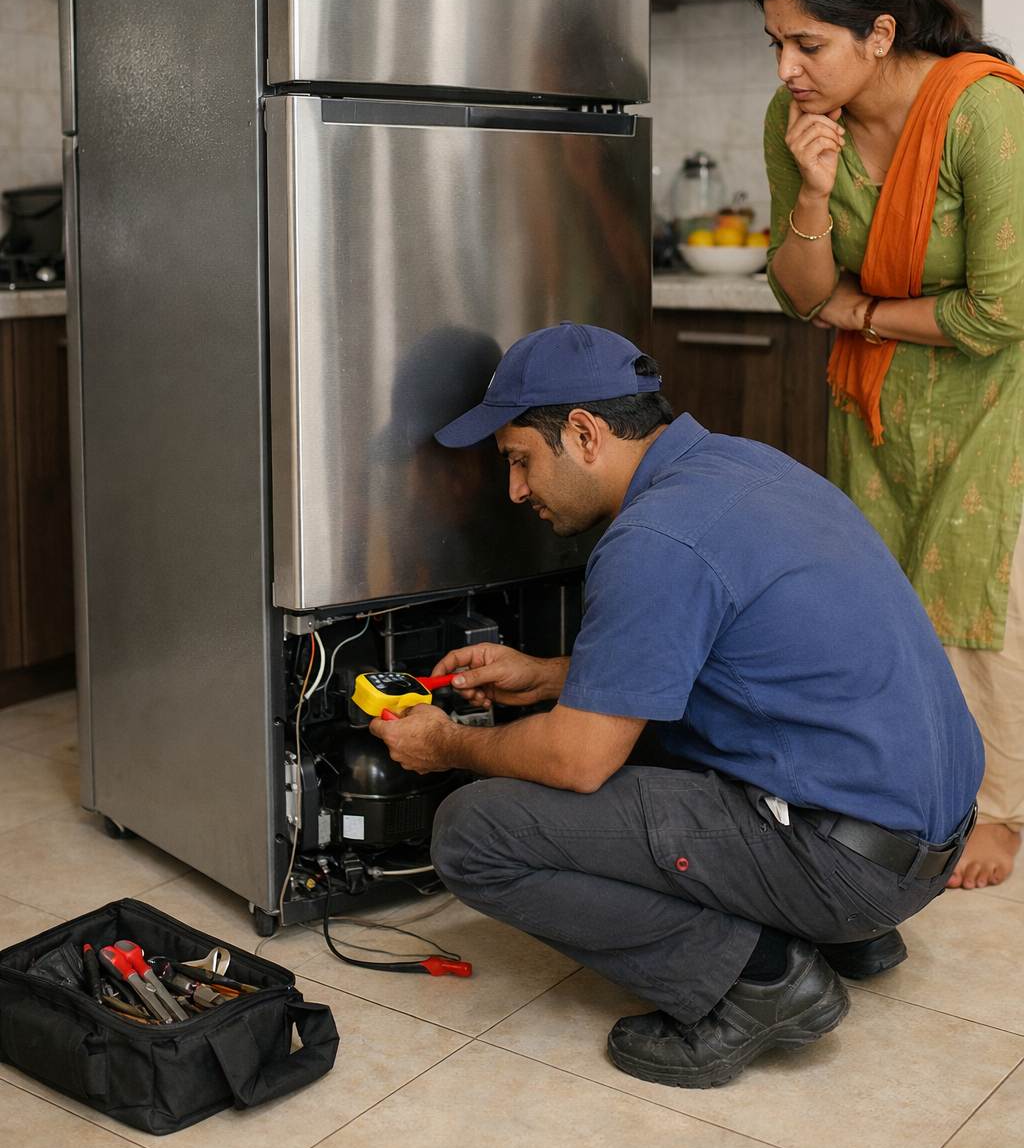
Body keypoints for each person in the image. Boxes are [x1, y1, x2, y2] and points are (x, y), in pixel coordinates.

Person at [369, 322, 982, 1090]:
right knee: (645, 732)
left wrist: (446, 745)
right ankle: (848, 935)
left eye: (520, 461)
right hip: (923, 834)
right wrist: (556, 675)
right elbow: (728, 654)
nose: (516, 491)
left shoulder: (654, 537)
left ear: (586, 434)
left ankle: (759, 979)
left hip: (848, 864)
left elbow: (578, 760)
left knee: (474, 831)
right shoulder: (741, 467)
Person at [758, 0, 1024, 890]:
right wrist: (812, 197)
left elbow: (1001, 309)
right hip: (871, 407)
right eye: (775, 45)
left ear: (877, 33)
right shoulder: (796, 125)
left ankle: (997, 805)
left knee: (979, 595)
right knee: (883, 596)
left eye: (808, 45)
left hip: (994, 399)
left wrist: (861, 308)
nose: (787, 67)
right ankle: (911, 778)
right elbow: (797, 291)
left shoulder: (980, 115)